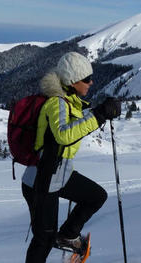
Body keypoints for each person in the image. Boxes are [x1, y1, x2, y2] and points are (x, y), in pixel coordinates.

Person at [21, 52, 121, 262]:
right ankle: (63, 237)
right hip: (42, 181)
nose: (91, 82)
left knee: (96, 196)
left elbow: (76, 123)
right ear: (73, 81)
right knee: (44, 239)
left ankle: (67, 236)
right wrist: (99, 115)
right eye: (87, 79)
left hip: (59, 175)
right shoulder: (56, 103)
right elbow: (64, 134)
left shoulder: (69, 101)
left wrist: (101, 111)